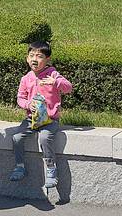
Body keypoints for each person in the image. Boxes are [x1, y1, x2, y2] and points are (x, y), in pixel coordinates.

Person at [7, 41, 73, 189]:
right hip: (31, 119)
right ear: (27, 58)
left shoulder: (53, 74)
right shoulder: (26, 78)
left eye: (39, 56)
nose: (34, 59)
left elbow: (68, 88)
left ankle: (51, 169)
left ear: (47, 59)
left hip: (50, 120)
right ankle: (19, 166)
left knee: (44, 138)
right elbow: (20, 98)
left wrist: (55, 82)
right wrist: (27, 104)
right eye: (31, 56)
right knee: (16, 137)